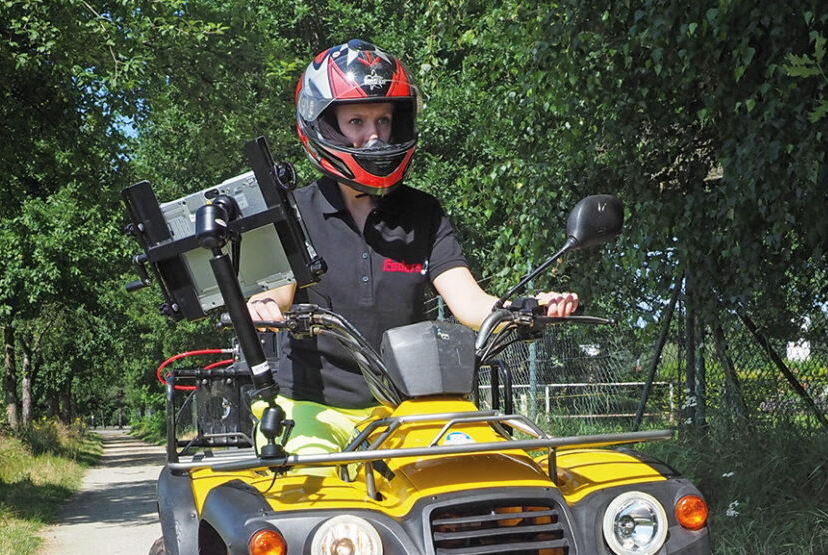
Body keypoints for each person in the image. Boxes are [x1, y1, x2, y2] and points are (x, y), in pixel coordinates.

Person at [245, 39, 579, 453]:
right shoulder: (296, 211)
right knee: (313, 499)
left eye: (383, 121)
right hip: (314, 408)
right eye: (356, 122)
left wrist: (526, 309)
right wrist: (265, 305)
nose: (375, 138)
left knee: (475, 473)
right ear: (323, 127)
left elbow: (469, 302)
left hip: (408, 405)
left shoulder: (423, 212)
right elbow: (275, 292)